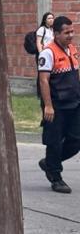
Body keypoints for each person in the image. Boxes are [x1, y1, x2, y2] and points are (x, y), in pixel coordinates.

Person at [38, 15, 80, 194]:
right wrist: (48, 106)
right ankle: (56, 177)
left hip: (75, 102)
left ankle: (50, 162)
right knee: (54, 142)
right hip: (56, 105)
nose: (70, 35)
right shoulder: (48, 52)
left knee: (76, 139)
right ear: (56, 34)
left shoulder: (72, 49)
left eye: (72, 31)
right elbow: (44, 81)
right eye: (66, 32)